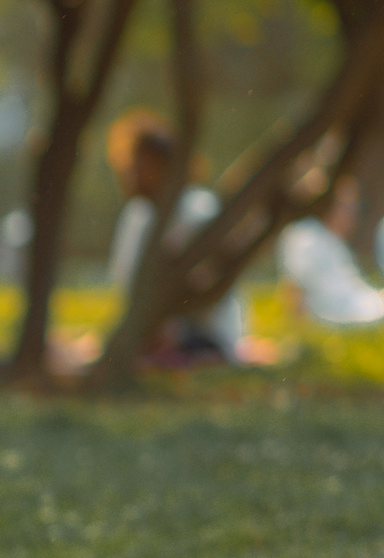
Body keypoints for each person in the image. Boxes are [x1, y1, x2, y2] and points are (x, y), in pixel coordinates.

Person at [105, 110, 246, 366]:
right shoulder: (137, 215)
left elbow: (205, 288)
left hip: (203, 335)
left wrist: (171, 328)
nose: (133, 172)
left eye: (144, 164)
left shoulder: (198, 210)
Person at [276, 177, 384, 327]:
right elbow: (296, 290)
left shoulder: (330, 238)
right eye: (347, 206)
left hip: (355, 309)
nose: (354, 214)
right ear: (327, 204)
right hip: (338, 317)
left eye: (355, 207)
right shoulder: (305, 237)